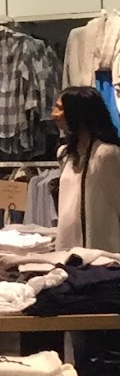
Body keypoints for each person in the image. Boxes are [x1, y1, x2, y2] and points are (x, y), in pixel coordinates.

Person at [58, 86, 120, 252]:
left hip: (100, 252)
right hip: (66, 248)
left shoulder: (105, 154)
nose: (54, 114)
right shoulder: (66, 154)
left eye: (60, 108)